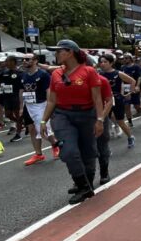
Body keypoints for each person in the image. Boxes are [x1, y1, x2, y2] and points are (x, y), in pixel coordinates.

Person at [40, 39, 104, 203]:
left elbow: (97, 98)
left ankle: (86, 183)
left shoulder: (89, 72)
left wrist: (100, 119)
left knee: (88, 151)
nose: (56, 54)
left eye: (59, 51)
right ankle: (83, 186)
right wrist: (43, 122)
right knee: (68, 151)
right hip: (63, 115)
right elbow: (52, 100)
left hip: (86, 114)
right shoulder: (56, 74)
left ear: (70, 52)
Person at [19, 53, 60, 166]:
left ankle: (56, 145)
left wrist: (49, 107)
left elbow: (49, 91)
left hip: (41, 105)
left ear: (35, 61)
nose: (24, 61)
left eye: (27, 59)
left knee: (44, 130)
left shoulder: (43, 75)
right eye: (23, 59)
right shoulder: (23, 75)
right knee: (32, 129)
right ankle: (38, 154)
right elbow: (22, 91)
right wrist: (21, 107)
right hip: (28, 105)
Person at [97, 53, 136, 147]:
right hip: (104, 100)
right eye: (101, 62)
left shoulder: (118, 73)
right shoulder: (99, 74)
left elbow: (132, 81)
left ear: (111, 63)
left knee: (120, 121)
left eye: (105, 62)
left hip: (117, 99)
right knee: (103, 121)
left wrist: (129, 93)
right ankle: (104, 147)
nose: (102, 64)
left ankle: (130, 137)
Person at [0, 56, 23, 141]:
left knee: (18, 115)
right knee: (7, 114)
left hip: (16, 96)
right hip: (7, 97)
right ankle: (21, 123)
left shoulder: (20, 72)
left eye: (7, 61)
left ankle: (18, 134)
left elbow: (22, 87)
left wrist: (21, 100)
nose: (5, 63)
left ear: (13, 62)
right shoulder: (4, 72)